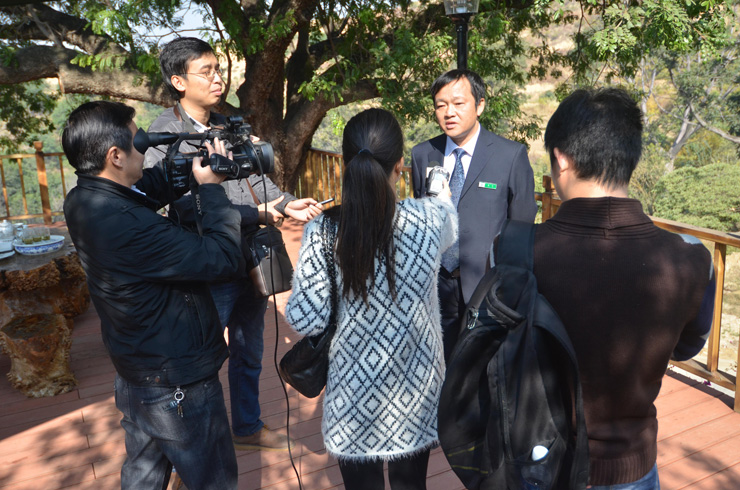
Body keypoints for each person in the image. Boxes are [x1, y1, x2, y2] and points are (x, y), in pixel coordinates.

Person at [526, 87, 715, 489]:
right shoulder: (692, 259)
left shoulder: (515, 248)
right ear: (630, 155)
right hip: (633, 467)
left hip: (540, 462)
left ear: (561, 158)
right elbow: (686, 348)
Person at [144, 37, 322, 450]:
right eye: (205, 71)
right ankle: (192, 447)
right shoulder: (163, 136)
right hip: (207, 263)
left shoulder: (229, 126)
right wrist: (257, 214)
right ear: (178, 81)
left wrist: (288, 203)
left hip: (250, 258)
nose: (217, 79)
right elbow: (181, 207)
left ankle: (247, 427)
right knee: (201, 358)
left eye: (217, 69)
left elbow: (260, 182)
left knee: (249, 350)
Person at [62, 100, 241, 489]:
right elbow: (222, 258)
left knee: (144, 475)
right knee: (214, 480)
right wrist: (212, 190)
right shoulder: (130, 225)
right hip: (176, 380)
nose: (143, 145)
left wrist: (187, 170)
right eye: (137, 141)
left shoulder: (83, 199)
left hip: (137, 371)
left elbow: (138, 192)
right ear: (115, 156)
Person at [286, 108, 458, 490]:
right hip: (416, 389)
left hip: (353, 394)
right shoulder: (429, 220)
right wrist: (441, 194)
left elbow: (306, 319)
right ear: (400, 165)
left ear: (346, 163)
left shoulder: (323, 230)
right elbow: (449, 224)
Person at [410, 69, 537, 361]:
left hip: (487, 290)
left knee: (480, 369)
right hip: (436, 288)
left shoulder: (510, 155)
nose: (448, 112)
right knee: (437, 365)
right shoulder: (423, 154)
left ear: (480, 105)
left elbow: (522, 228)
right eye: (440, 105)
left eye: (458, 103)